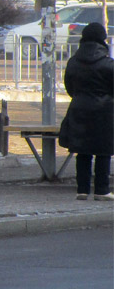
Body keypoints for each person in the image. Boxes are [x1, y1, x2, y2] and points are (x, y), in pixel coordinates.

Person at [59, 22, 114, 200]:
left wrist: (80, 97)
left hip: (78, 109)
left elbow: (69, 87)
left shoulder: (73, 62)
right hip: (104, 111)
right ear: (102, 40)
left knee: (82, 151)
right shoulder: (108, 64)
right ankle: (102, 190)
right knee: (103, 151)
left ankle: (82, 189)